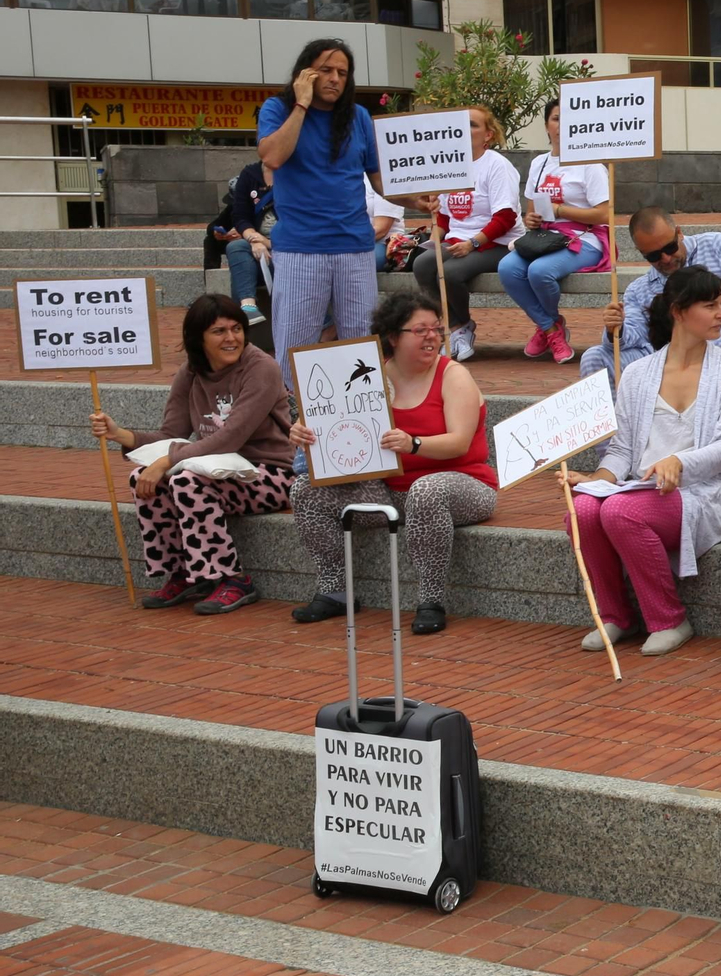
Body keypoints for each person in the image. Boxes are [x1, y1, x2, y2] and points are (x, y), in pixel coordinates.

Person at [559, 268, 721, 656]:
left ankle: (669, 618)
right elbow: (622, 451)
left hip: (703, 491)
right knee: (581, 509)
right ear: (678, 311)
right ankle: (615, 616)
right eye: (710, 305)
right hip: (640, 488)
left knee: (620, 512)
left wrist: (679, 461)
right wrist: (595, 477)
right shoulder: (638, 373)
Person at [288, 292, 499, 636]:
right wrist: (308, 433)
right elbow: (343, 433)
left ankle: (431, 600)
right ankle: (335, 589)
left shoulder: (453, 375)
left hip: (464, 485)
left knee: (426, 490)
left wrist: (413, 443)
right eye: (420, 330)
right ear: (392, 337)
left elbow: (459, 442)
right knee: (306, 489)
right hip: (392, 493)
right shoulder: (368, 375)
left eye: (437, 329)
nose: (432, 336)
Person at [88, 295, 294, 615]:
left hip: (270, 473)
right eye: (219, 331)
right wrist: (121, 435)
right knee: (144, 478)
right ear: (198, 338)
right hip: (214, 466)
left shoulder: (261, 367)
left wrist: (168, 461)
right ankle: (184, 572)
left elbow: (231, 436)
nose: (231, 338)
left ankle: (232, 578)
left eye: (236, 329)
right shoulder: (191, 371)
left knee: (187, 482)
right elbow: (172, 434)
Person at [256, 38, 391, 381]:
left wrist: (416, 199)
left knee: (363, 349)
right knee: (295, 347)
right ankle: (290, 425)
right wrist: (301, 106)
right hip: (302, 248)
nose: (334, 78)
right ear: (305, 73)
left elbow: (380, 181)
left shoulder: (358, 117)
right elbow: (272, 157)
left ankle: (366, 423)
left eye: (342, 73)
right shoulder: (277, 108)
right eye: (325, 70)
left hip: (355, 247)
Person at [581, 207, 721, 380]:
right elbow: (635, 335)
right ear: (640, 252)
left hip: (719, 344)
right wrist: (617, 328)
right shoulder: (638, 289)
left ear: (679, 233)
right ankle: (618, 420)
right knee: (595, 357)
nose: (665, 259)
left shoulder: (715, 245)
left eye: (669, 248)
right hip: (659, 357)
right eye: (654, 256)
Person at [500, 98, 614, 363]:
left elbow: (603, 214)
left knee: (539, 271)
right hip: (545, 238)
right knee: (508, 268)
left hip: (583, 238)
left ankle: (546, 327)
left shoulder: (591, 165)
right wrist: (531, 220)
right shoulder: (539, 163)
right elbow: (531, 211)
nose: (562, 125)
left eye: (568, 119)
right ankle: (551, 327)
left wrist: (561, 210)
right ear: (546, 126)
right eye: (556, 118)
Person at [413, 104, 522, 361]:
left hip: (496, 242)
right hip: (457, 240)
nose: (465, 129)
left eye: (473, 124)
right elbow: (443, 216)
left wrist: (472, 243)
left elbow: (505, 217)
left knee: (451, 272)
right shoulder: (449, 163)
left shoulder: (497, 165)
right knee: (423, 264)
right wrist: (432, 242)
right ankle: (452, 326)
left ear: (488, 135)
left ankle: (461, 326)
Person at [213, 161, 274, 326]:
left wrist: (268, 243)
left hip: (290, 249)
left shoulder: (297, 172)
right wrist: (253, 238)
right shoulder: (250, 174)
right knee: (235, 247)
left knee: (242, 269)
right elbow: (240, 216)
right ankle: (248, 307)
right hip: (257, 246)